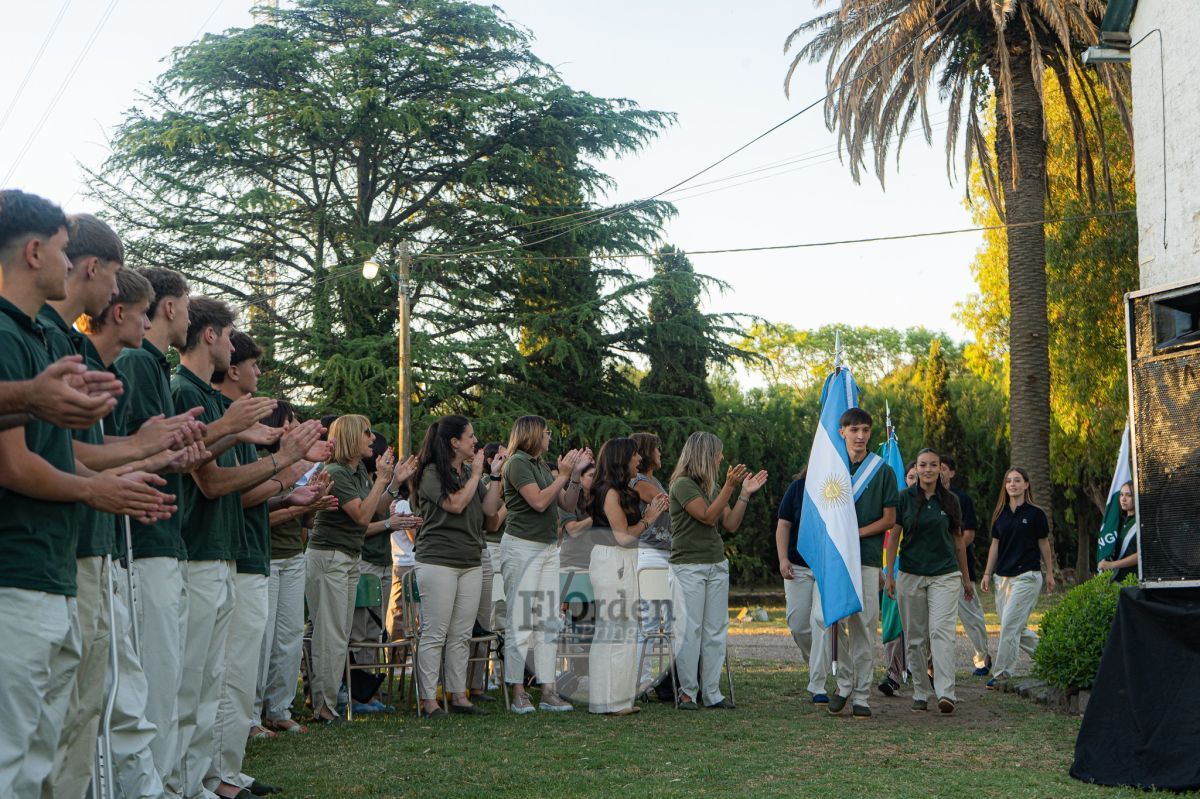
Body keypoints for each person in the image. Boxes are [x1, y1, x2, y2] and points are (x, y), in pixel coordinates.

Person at [0, 190, 173, 796]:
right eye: (66, 251)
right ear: (34, 251)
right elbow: (17, 466)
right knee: (18, 756)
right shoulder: (12, 333)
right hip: (21, 565)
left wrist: (140, 450)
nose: (72, 264)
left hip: (49, 564)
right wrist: (99, 488)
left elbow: (54, 452)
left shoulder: (39, 335)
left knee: (50, 740)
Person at [171, 297, 321, 797]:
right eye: (234, 338)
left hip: (228, 551)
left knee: (224, 676)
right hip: (201, 551)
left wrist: (286, 464)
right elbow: (217, 485)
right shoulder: (186, 391)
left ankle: (219, 773)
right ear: (212, 337)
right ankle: (202, 780)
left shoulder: (215, 403)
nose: (241, 353)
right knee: (202, 680)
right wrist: (287, 463)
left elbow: (231, 485)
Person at [208, 331, 331, 797]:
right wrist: (287, 466)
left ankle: (227, 768)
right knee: (227, 673)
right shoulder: (219, 412)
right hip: (231, 556)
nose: (260, 374)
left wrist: (289, 488)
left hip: (245, 555)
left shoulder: (237, 423)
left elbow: (247, 493)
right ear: (233, 367)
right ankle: (214, 774)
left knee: (238, 674)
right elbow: (226, 489)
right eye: (254, 365)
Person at [306, 414, 417, 724]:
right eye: (367, 433)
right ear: (352, 438)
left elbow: (378, 506)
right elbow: (361, 516)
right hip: (329, 559)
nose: (373, 439)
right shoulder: (337, 473)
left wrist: (393, 483)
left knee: (338, 635)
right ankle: (323, 707)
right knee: (329, 635)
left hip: (346, 558)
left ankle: (328, 704)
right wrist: (382, 480)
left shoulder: (355, 473)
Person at [497, 415, 590, 714]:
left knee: (550, 619)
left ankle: (549, 690)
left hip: (549, 549)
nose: (550, 436)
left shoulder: (540, 465)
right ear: (533, 434)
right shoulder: (518, 463)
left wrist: (573, 476)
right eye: (547, 431)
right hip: (522, 548)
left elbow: (567, 504)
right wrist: (562, 474)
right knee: (520, 620)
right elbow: (538, 502)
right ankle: (518, 692)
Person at [667, 431, 767, 710]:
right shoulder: (683, 484)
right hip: (688, 567)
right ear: (705, 455)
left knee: (715, 631)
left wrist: (744, 494)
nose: (722, 458)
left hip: (715, 565)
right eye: (718, 453)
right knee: (691, 631)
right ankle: (687, 692)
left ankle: (711, 693)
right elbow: (708, 517)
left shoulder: (711, 487)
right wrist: (728, 487)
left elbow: (731, 524)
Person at [412, 415, 502, 716]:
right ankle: (428, 700)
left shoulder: (468, 473)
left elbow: (489, 514)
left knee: (462, 633)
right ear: (454, 442)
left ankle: (458, 694)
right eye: (470, 436)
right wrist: (477, 474)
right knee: (436, 632)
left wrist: (497, 478)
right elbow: (455, 505)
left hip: (471, 560)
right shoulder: (431, 473)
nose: (475, 441)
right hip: (438, 561)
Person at [255, 401, 335, 737]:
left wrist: (313, 503)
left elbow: (305, 520)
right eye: (291, 421)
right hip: (267, 558)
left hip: (292, 556)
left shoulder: (292, 467)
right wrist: (296, 504)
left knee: (288, 637)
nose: (296, 427)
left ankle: (279, 709)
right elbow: (262, 517)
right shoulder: (262, 464)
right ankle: (251, 715)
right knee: (263, 638)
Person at [823, 409, 897, 719]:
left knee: (863, 627)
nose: (861, 435)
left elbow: (890, 519)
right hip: (836, 560)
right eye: (854, 429)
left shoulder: (883, 471)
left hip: (866, 560)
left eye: (865, 429)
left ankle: (861, 695)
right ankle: (844, 683)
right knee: (826, 620)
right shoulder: (831, 467)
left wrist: (855, 533)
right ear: (842, 432)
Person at [885, 448, 971, 714]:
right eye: (923, 465)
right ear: (917, 469)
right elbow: (894, 539)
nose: (928, 469)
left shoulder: (951, 501)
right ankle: (921, 691)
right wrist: (890, 575)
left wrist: (966, 579)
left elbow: (958, 542)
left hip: (945, 575)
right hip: (911, 575)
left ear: (940, 469)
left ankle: (946, 693)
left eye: (934, 464)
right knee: (915, 637)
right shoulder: (904, 498)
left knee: (941, 633)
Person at [588, 438, 669, 716]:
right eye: (635, 456)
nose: (639, 460)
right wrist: (648, 519)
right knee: (617, 629)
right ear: (622, 459)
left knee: (620, 628)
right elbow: (622, 536)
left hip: (619, 559)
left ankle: (614, 699)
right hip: (614, 559)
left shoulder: (615, 490)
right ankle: (610, 700)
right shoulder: (610, 492)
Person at [980, 467, 1056, 686]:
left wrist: (1049, 573)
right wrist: (986, 573)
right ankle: (1051, 658)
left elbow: (1044, 543)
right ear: (1005, 486)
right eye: (1009, 481)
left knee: (1009, 626)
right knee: (1014, 627)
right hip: (1002, 579)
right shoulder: (1000, 514)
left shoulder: (1035, 514)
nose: (1012, 484)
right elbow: (995, 545)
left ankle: (1002, 673)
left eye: (1017, 480)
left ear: (1026, 484)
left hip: (1027, 576)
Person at [775, 467, 833, 703]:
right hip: (797, 567)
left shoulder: (837, 490)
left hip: (826, 567)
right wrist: (782, 559)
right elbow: (784, 525)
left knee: (819, 620)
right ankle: (816, 663)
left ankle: (818, 684)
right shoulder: (797, 489)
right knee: (798, 624)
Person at [941, 454, 991, 677]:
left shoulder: (961, 499)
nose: (938, 471)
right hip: (932, 570)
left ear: (951, 472)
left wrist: (951, 551)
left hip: (960, 567)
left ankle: (982, 656)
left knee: (971, 615)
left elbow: (968, 534)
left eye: (942, 468)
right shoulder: (922, 498)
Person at [878, 461, 917, 697]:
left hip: (923, 572)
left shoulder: (939, 504)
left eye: (915, 476)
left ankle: (927, 670)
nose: (913, 480)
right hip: (896, 571)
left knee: (921, 627)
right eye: (909, 476)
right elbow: (891, 539)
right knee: (894, 624)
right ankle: (893, 673)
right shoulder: (899, 503)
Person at [1098, 481, 1139, 582]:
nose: (1123, 499)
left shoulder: (1141, 522)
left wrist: (1112, 565)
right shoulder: (1118, 523)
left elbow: (1141, 554)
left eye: (1129, 495)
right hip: (1116, 579)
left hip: (1133, 580)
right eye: (1121, 495)